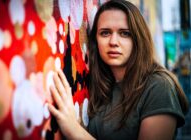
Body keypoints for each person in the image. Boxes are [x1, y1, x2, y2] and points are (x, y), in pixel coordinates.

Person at [48, 0, 189, 139]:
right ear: (95, 40)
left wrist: (74, 130)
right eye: (105, 33)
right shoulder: (100, 86)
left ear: (138, 39)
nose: (113, 42)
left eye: (124, 33)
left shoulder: (159, 86)